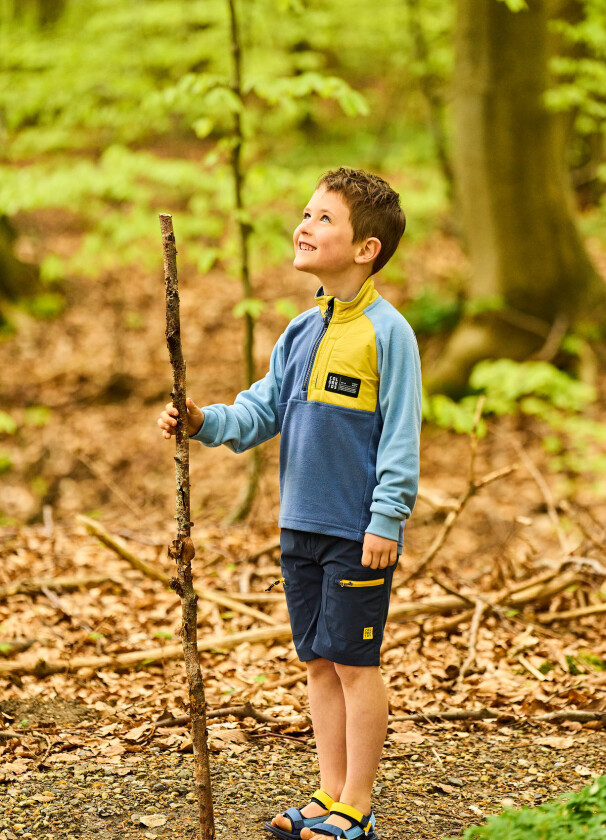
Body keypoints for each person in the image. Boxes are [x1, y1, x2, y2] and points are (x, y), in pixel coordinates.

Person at [158, 167, 422, 840]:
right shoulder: (300, 331)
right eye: (305, 213)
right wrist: (199, 420)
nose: (303, 226)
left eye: (323, 218)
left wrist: (386, 519)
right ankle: (328, 791)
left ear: (366, 248)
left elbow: (399, 435)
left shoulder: (387, 334)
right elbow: (258, 410)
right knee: (318, 660)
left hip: (356, 530)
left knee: (355, 663)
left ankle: (356, 804)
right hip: (298, 525)